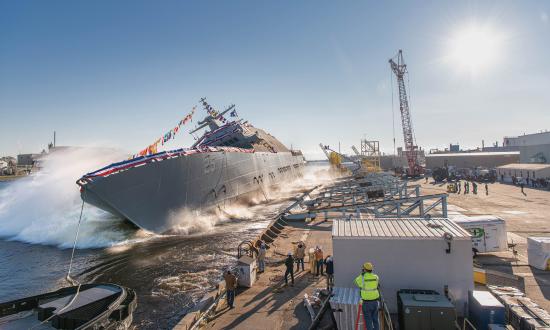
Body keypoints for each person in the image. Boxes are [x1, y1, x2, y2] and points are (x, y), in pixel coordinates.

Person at [354, 262, 380, 330]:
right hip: (375, 302)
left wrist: (362, 275)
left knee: (368, 321)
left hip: (367, 303)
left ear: (364, 270)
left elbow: (355, 282)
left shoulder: (362, 278)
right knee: (375, 320)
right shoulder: (376, 277)